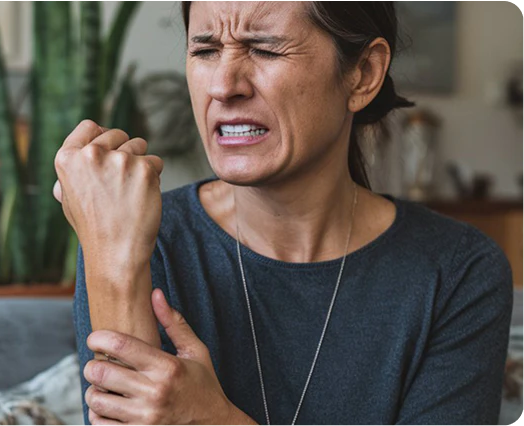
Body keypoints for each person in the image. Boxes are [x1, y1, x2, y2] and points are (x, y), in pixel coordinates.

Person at [53, 0, 514, 425]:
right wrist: (112, 256)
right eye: (206, 50)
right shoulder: (134, 236)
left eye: (264, 49)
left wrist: (214, 419)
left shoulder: (458, 271)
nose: (223, 86)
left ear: (363, 74)